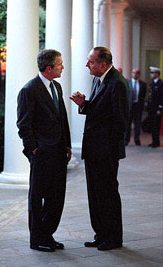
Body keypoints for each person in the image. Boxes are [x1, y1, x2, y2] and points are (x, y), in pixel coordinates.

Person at [70, 47, 129, 251]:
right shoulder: (98, 79)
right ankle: (101, 234)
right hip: (94, 150)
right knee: (95, 194)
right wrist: (83, 104)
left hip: (105, 151)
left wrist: (107, 150)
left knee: (108, 195)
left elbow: (120, 121)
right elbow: (100, 112)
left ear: (103, 64)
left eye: (91, 62)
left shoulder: (117, 83)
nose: (87, 65)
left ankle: (113, 238)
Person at [17, 49, 71, 252]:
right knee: (37, 198)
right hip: (41, 154)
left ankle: (48, 235)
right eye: (60, 64)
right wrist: (33, 151)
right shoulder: (29, 90)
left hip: (58, 152)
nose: (62, 67)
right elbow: (24, 124)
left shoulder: (56, 86)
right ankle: (37, 239)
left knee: (56, 197)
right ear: (49, 68)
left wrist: (66, 145)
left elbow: (62, 118)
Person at [125, 68, 147, 146]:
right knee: (128, 124)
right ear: (131, 73)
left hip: (138, 106)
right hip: (129, 106)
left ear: (139, 74)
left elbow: (143, 96)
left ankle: (137, 140)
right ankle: (126, 140)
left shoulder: (143, 84)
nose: (135, 74)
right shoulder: (127, 82)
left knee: (137, 124)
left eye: (137, 73)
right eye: (134, 73)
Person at [147, 66, 163, 148]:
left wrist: (160, 108)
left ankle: (156, 142)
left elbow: (161, 97)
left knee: (156, 126)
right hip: (151, 108)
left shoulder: (160, 84)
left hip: (157, 109)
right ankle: (154, 141)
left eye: (152, 73)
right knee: (152, 126)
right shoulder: (152, 83)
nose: (151, 74)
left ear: (157, 74)